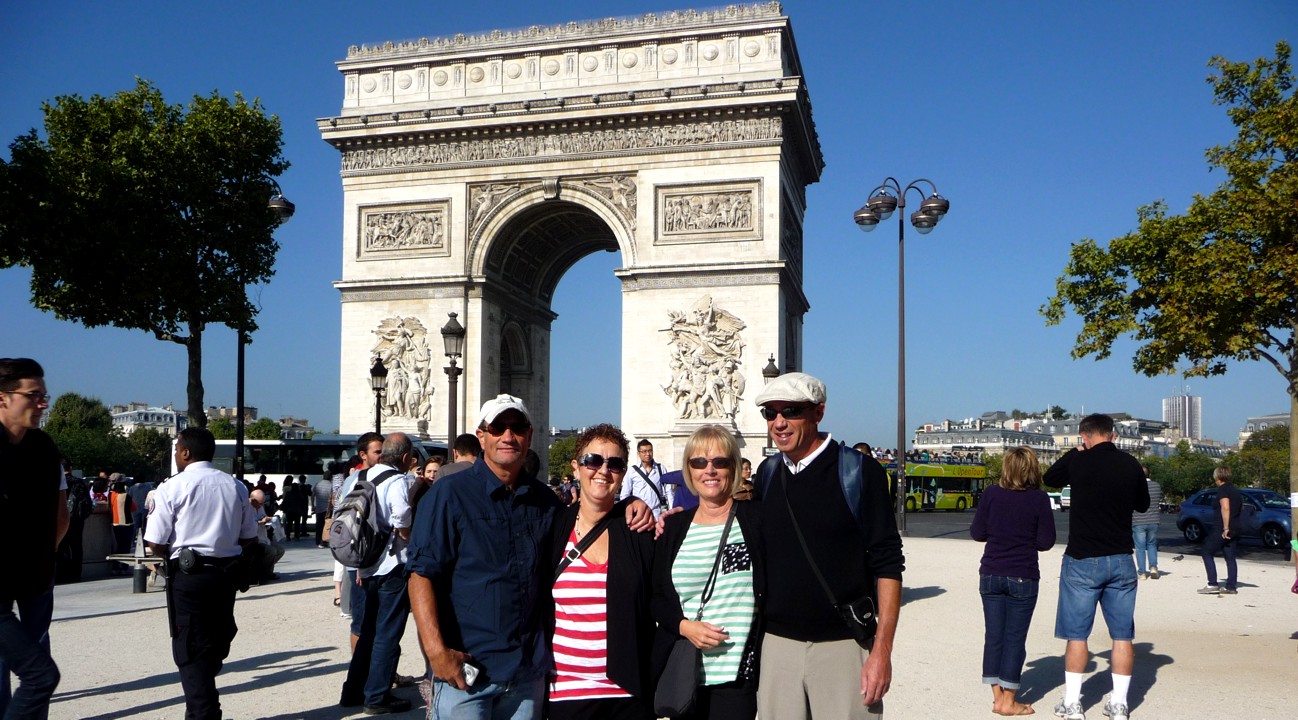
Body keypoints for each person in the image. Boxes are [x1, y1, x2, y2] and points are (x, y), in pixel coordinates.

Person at [406, 395, 653, 719]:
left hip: (527, 675)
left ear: (530, 436)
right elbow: (421, 573)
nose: (509, 435)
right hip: (466, 672)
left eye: (518, 427)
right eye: (498, 427)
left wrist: (632, 506)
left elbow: (593, 513)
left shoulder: (545, 503)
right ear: (481, 435)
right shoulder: (449, 494)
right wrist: (436, 652)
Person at [751, 372, 904, 719]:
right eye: (770, 413)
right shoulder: (767, 473)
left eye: (790, 411)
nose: (778, 423)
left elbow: (888, 564)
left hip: (844, 647)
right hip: (777, 646)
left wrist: (882, 651)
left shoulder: (861, 472)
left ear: (818, 413)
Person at [144, 427, 258, 720]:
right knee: (216, 639)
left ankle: (204, 713)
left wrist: (175, 553)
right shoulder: (235, 486)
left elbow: (154, 541)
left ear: (185, 453)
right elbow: (248, 536)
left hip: (190, 575)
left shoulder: (171, 488)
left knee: (190, 647)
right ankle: (201, 708)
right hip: (226, 575)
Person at [652, 425, 763, 720]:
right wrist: (683, 626)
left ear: (735, 467)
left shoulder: (757, 521)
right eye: (699, 462)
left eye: (720, 462)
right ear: (689, 469)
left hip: (739, 676)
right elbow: (656, 596)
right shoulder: (673, 528)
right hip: (684, 670)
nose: (709, 470)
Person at [546, 424, 657, 720]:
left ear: (623, 473)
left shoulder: (639, 531)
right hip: (567, 692)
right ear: (576, 466)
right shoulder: (552, 528)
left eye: (615, 464)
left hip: (627, 692)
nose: (603, 471)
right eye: (593, 460)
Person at [1042, 413, 1149, 720]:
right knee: (1122, 636)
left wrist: (1075, 453)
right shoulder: (1129, 464)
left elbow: (1050, 478)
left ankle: (1073, 702)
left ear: (1084, 437)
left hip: (1082, 556)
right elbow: (1141, 505)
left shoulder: (1078, 461)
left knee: (1077, 635)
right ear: (1113, 435)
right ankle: (1119, 703)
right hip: (1120, 555)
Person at [0, 358, 66, 719]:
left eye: (44, 395)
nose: (43, 403)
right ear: (2, 397)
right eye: (34, 395)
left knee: (37, 671)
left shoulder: (43, 446)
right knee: (39, 673)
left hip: (33, 573)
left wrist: (43, 557)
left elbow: (57, 514)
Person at [969, 446, 1055, 717]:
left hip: (992, 572)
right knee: (1015, 638)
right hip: (1023, 573)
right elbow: (1045, 542)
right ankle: (1009, 700)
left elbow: (977, 533)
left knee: (994, 636)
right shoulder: (1039, 499)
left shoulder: (991, 494)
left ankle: (997, 696)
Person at [341, 433, 416, 715]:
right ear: (407, 458)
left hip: (366, 563)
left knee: (368, 631)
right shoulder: (396, 481)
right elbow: (402, 520)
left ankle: (353, 690)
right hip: (391, 565)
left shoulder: (362, 477)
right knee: (388, 632)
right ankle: (377, 696)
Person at [1198, 466, 1241, 596]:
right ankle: (1231, 586)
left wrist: (1225, 527)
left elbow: (1225, 507)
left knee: (1207, 551)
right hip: (1236, 527)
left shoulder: (1223, 490)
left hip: (1222, 527)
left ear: (1217, 477)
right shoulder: (1235, 491)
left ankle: (1212, 583)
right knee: (1230, 557)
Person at [620, 438, 672, 519]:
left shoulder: (661, 468)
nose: (647, 454)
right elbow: (625, 494)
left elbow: (668, 491)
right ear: (638, 453)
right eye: (644, 451)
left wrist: (671, 511)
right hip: (638, 515)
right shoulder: (632, 471)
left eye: (650, 451)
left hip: (657, 514)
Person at [1132, 467, 1163, 580]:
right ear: (1150, 474)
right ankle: (1153, 567)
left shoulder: (1134, 486)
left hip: (1138, 520)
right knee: (1152, 544)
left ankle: (1142, 572)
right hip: (1153, 519)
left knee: (1140, 547)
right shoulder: (1157, 486)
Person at [248, 491, 285, 582]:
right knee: (271, 551)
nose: (261, 505)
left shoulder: (260, 507)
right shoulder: (247, 509)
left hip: (264, 537)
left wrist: (269, 521)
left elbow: (263, 517)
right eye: (260, 503)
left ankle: (267, 570)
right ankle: (264, 571)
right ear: (252, 500)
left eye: (263, 503)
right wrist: (260, 522)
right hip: (254, 539)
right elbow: (246, 525)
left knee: (280, 550)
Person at [313, 471, 334, 549]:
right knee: (326, 525)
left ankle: (317, 541)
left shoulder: (318, 484)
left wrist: (313, 505)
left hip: (318, 508)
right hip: (327, 509)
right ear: (330, 477)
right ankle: (324, 541)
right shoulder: (331, 485)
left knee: (319, 525)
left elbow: (313, 494)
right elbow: (332, 497)